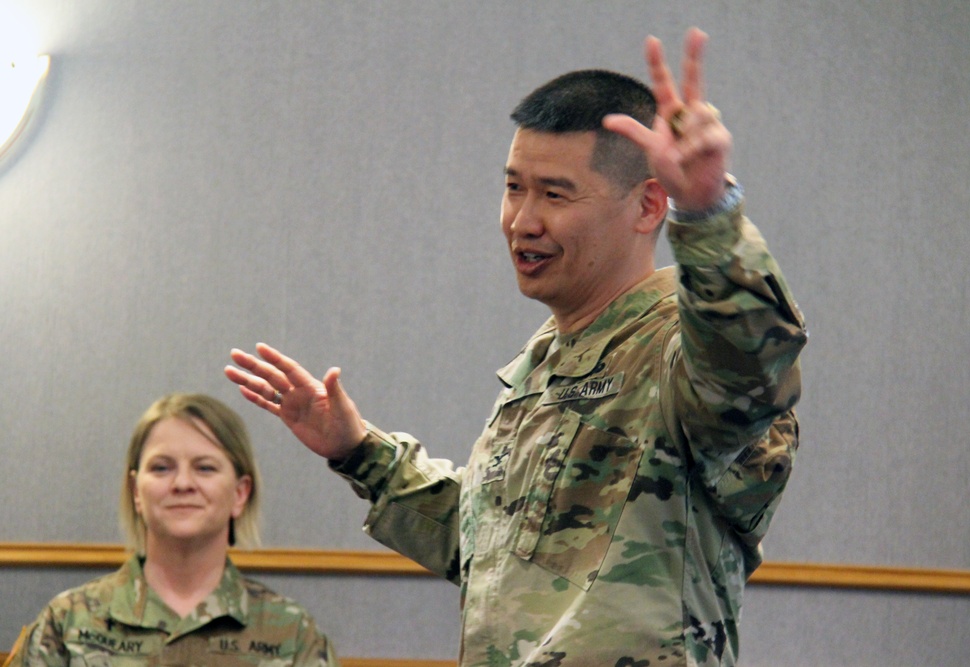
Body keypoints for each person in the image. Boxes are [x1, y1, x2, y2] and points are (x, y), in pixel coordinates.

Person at [226, 28, 807, 666]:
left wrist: (710, 216)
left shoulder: (678, 346)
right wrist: (360, 451)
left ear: (647, 206)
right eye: (513, 187)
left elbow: (750, 368)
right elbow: (494, 548)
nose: (522, 220)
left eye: (555, 194)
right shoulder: (548, 361)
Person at [9, 393, 339, 666]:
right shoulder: (67, 622)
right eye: (162, 467)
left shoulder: (291, 634)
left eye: (205, 468)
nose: (182, 483)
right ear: (137, 491)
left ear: (240, 493)